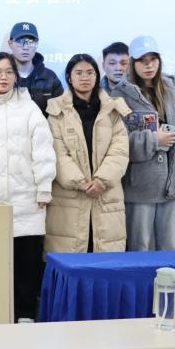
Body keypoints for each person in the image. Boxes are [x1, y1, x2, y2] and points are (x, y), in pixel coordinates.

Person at [0, 52, 55, 320]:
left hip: (27, 201)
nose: (3, 77)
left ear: (16, 77)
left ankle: (26, 315)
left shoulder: (30, 109)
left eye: (8, 72)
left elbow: (43, 151)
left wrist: (44, 188)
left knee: (27, 264)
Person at [111, 36, 175, 251]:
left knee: (171, 248)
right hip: (139, 189)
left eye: (153, 59)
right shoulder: (119, 96)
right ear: (132, 63)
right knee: (140, 247)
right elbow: (117, 144)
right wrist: (154, 140)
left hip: (173, 188)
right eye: (142, 60)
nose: (149, 65)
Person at [45, 54, 130, 254]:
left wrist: (101, 181)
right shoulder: (56, 110)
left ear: (97, 76)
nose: (85, 77)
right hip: (70, 194)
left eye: (90, 73)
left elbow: (120, 150)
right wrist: (80, 183)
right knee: (71, 255)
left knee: (105, 258)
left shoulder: (112, 109)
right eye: (79, 73)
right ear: (69, 77)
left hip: (106, 192)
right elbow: (57, 153)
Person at [5, 22, 63, 116]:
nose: (26, 47)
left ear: (37, 44)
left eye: (31, 42)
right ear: (10, 44)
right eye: (20, 41)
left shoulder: (50, 77)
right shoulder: (1, 76)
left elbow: (60, 115)